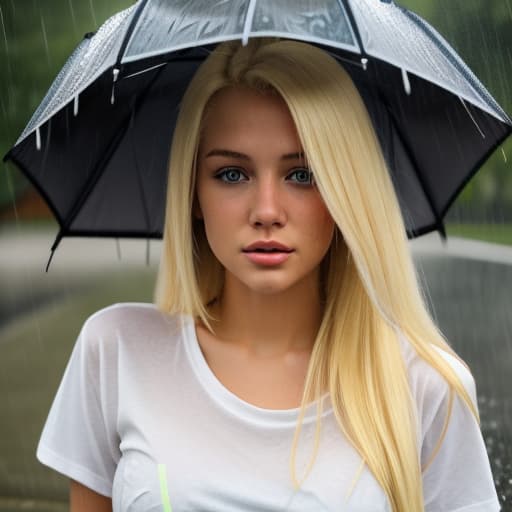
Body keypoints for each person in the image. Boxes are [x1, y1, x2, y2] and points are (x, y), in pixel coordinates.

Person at [37, 38, 500, 512]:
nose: (266, 211)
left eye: (302, 175)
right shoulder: (116, 349)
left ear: (344, 192)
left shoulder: (426, 385)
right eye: (232, 174)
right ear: (193, 193)